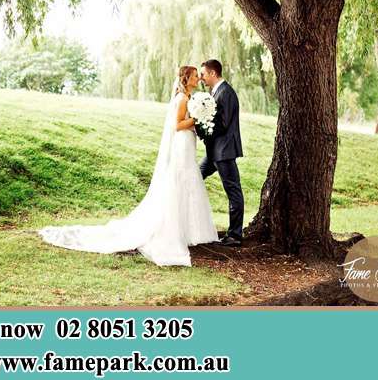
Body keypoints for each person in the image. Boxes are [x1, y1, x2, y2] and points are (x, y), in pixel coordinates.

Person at [38, 66, 219, 266]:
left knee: (189, 181)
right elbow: (177, 125)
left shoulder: (189, 98)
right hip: (182, 144)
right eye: (195, 76)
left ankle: (191, 230)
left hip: (187, 143)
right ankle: (178, 230)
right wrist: (197, 118)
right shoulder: (183, 99)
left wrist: (198, 119)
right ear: (187, 79)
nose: (198, 78)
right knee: (182, 180)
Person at [198, 59, 244, 247]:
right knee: (193, 176)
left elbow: (223, 124)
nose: (201, 78)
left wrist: (201, 127)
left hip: (224, 151)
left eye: (203, 74)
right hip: (214, 151)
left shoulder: (226, 93)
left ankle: (234, 235)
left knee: (233, 190)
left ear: (213, 74)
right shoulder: (216, 92)